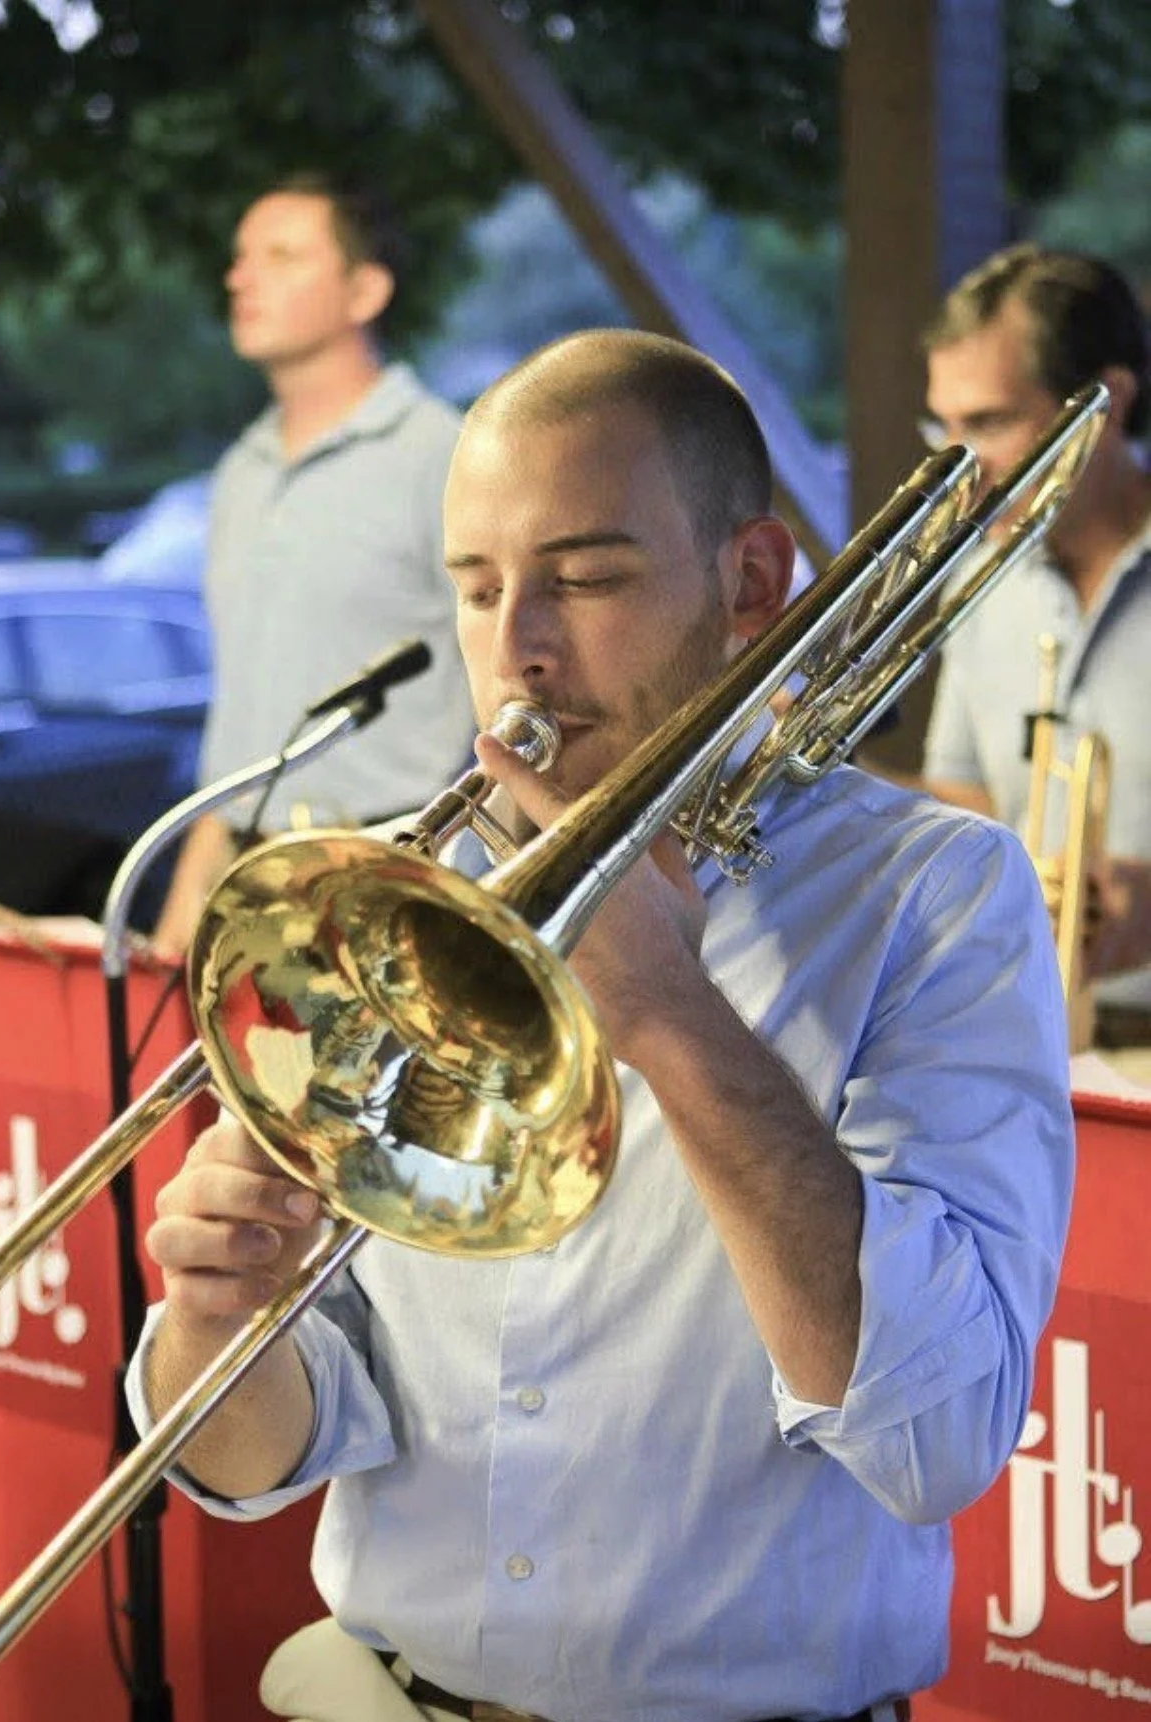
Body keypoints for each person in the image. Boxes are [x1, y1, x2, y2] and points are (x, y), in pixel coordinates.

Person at [128, 330, 1074, 1722]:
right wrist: (221, 1317)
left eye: (583, 577)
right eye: (476, 587)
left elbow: (936, 1438)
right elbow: (262, 1453)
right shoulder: (391, 900)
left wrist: (673, 1019)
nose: (517, 645)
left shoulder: (936, 895)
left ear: (750, 582)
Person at [151, 172, 474, 958]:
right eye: (240, 257)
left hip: (395, 886)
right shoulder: (241, 469)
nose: (240, 276)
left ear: (365, 291)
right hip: (247, 878)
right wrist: (180, 919)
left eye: (282, 255)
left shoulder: (447, 453)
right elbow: (245, 716)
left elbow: (520, 691)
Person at [918, 243, 1151, 1035]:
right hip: (1024, 1037)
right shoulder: (975, 585)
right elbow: (963, 815)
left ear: (1109, 400)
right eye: (941, 424)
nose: (957, 464)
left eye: (989, 422)